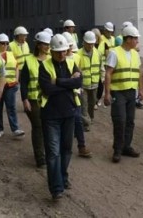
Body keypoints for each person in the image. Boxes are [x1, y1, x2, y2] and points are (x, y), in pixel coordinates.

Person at [38, 34, 83, 200]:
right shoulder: (44, 66)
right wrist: (68, 83)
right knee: (53, 153)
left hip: (69, 113)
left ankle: (63, 178)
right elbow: (47, 89)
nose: (62, 54)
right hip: (51, 115)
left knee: (66, 150)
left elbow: (78, 83)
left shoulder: (72, 63)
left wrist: (58, 82)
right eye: (58, 52)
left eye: (64, 51)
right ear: (52, 51)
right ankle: (56, 188)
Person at [104, 25, 143, 163]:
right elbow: (108, 73)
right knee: (120, 120)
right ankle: (117, 149)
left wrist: (141, 90)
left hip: (131, 92)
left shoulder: (135, 54)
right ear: (128, 39)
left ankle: (126, 146)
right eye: (135, 39)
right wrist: (107, 93)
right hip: (118, 92)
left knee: (130, 121)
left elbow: (139, 73)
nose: (137, 41)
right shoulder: (114, 53)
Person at [20, 31, 51, 168]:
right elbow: (24, 82)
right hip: (33, 100)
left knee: (48, 127)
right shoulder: (29, 60)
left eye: (48, 44)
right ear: (38, 45)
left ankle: (48, 152)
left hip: (49, 99)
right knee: (38, 127)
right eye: (44, 44)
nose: (47, 47)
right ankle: (40, 158)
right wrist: (24, 99)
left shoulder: (51, 59)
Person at [63, 32, 91, 158]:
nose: (68, 48)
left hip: (76, 94)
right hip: (62, 95)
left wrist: (75, 82)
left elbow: (78, 76)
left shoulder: (76, 57)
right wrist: (70, 80)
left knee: (78, 120)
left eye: (69, 46)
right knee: (64, 122)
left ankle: (81, 146)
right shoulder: (54, 60)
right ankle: (64, 148)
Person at [0, 34, 25, 138]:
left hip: (10, 85)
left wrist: (16, 79)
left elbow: (16, 67)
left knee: (11, 107)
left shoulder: (10, 54)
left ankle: (15, 129)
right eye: (3, 43)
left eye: (6, 43)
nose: (5, 45)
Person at [77, 31, 101, 125]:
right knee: (84, 104)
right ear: (84, 42)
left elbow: (100, 67)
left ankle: (90, 119)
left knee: (92, 104)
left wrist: (101, 78)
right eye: (88, 44)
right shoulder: (78, 54)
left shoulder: (98, 53)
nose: (91, 46)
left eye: (92, 44)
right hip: (83, 85)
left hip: (94, 84)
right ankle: (86, 123)